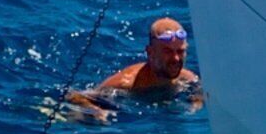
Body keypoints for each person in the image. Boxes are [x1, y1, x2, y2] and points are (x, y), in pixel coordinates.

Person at [64, 17, 200, 118]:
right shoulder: (126, 83)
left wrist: (197, 102)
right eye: (167, 52)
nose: (176, 59)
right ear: (150, 53)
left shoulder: (187, 78)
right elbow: (75, 96)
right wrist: (95, 111)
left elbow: (200, 92)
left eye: (180, 51)